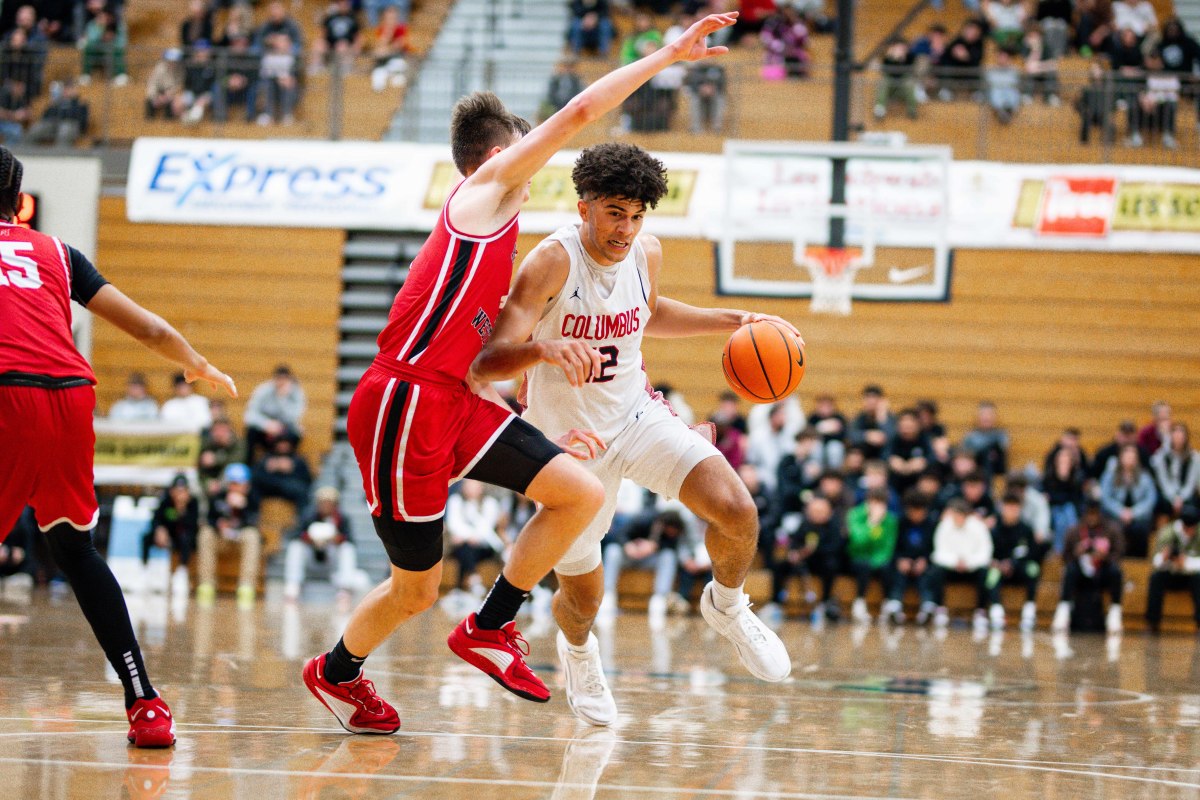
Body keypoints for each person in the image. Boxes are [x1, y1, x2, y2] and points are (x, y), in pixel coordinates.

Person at [302, 12, 741, 735]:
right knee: (415, 589)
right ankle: (338, 673)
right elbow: (581, 111)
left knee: (575, 491)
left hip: (456, 396)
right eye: (529, 149)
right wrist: (666, 55)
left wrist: (546, 390)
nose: (543, 159)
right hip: (403, 403)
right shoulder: (483, 194)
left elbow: (481, 360)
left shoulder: (500, 232)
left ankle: (488, 625)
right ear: (502, 152)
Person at [470, 137, 795, 728]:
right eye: (615, 212)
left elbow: (648, 312)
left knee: (736, 508)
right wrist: (544, 348)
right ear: (584, 205)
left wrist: (735, 319)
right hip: (568, 448)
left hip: (637, 417)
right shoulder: (550, 263)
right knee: (584, 600)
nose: (626, 228)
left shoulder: (646, 253)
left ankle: (727, 607)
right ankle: (578, 653)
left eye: (637, 215)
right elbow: (485, 362)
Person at [0, 147, 235, 748]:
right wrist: (198, 364)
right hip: (72, 395)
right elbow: (147, 328)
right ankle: (145, 703)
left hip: (7, 394)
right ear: (16, 201)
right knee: (75, 550)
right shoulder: (56, 253)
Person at [1052, 499, 1125, 634]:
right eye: (1089, 514)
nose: (1091, 517)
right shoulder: (1074, 530)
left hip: (1102, 570)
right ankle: (1064, 609)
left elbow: (1119, 553)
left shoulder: (1111, 530)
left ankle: (1115, 611)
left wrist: (1104, 556)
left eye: (1095, 514)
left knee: (1116, 572)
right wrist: (1077, 552)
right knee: (1070, 570)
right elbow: (1065, 556)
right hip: (1081, 571)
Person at [196, 461, 262, 605]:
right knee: (205, 533)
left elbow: (254, 522)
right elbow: (209, 519)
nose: (235, 487)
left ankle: (246, 586)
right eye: (232, 483)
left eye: (239, 484)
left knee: (252, 536)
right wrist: (220, 522)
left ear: (246, 485)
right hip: (221, 538)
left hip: (240, 539)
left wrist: (242, 509)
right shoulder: (218, 496)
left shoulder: (253, 498)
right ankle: (207, 584)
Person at [925, 498, 993, 629]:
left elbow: (986, 553)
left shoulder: (979, 527)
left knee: (987, 573)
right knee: (935, 571)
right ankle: (940, 609)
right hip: (951, 568)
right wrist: (955, 561)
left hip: (972, 569)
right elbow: (938, 552)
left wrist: (968, 562)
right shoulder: (945, 525)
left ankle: (980, 611)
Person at [284, 486, 360, 602]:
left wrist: (336, 539)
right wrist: (309, 538)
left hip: (331, 558)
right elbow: (294, 535)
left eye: (329, 503)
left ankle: (344, 588)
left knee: (347, 549)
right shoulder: (308, 516)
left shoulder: (342, 519)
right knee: (296, 547)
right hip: (311, 555)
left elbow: (350, 540)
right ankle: (293, 585)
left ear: (335, 505)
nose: (326, 506)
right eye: (323, 503)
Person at [988, 492, 1043, 632]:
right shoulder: (994, 529)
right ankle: (996, 612)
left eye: (1015, 507)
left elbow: (1030, 553)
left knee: (1033, 569)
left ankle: (1029, 610)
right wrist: (997, 563)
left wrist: (1013, 563)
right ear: (1002, 508)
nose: (1011, 511)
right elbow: (989, 551)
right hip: (999, 568)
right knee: (991, 575)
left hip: (1020, 567)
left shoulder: (1026, 529)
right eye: (1008, 507)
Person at [846, 487, 898, 623]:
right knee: (863, 565)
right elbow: (858, 542)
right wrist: (872, 523)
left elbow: (888, 547)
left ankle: (888, 604)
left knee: (887, 567)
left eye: (881, 504)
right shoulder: (855, 515)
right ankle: (859, 602)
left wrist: (876, 562)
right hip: (857, 556)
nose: (877, 507)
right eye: (874, 503)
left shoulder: (890, 520)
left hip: (878, 559)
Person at [141, 474, 199, 594]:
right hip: (166, 534)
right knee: (146, 538)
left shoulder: (193, 503)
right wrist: (159, 529)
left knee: (186, 540)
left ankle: (182, 573)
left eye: (183, 491)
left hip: (183, 536)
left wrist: (181, 509)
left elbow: (193, 526)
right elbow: (156, 519)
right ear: (171, 491)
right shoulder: (165, 500)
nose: (180, 494)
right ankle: (144, 569)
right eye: (177, 490)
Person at [1146, 505, 1200, 633]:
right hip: (1170, 573)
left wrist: (1186, 562)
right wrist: (1164, 558)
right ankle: (1152, 622)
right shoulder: (1167, 533)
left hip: (1190, 575)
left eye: (1192, 527)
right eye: (1187, 527)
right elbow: (1155, 562)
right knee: (1155, 578)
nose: (1189, 530)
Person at [1099, 442, 1157, 556]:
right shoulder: (1110, 475)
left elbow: (1150, 499)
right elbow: (1105, 497)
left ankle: (1138, 562)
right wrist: (1120, 511)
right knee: (1114, 528)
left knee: (1140, 529)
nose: (1130, 459)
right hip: (1115, 514)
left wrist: (1134, 513)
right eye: (1127, 456)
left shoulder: (1145, 476)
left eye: (1132, 456)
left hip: (1138, 516)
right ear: (1121, 458)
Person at [244, 364, 305, 456]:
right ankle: (249, 465)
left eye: (284, 380)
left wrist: (282, 398)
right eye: (279, 379)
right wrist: (266, 424)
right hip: (264, 429)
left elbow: (294, 417)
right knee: (251, 432)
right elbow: (249, 415)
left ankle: (288, 463)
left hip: (284, 428)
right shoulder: (263, 390)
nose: (281, 383)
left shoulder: (297, 393)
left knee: (296, 434)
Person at [1152, 423, 1200, 516]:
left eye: (1181, 433)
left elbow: (1191, 483)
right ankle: (1164, 529)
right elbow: (1163, 481)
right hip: (1168, 493)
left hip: (1186, 494)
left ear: (1186, 437)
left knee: (1192, 505)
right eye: (1175, 432)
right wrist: (1173, 498)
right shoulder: (1162, 456)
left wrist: (1181, 498)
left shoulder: (1194, 457)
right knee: (1161, 503)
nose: (1178, 436)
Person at [28, 80, 89, 146]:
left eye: (70, 88)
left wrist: (72, 103)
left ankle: (60, 154)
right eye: (66, 88)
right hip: (54, 124)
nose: (67, 90)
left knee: (64, 129)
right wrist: (53, 105)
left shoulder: (80, 104)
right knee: (36, 128)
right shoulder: (56, 103)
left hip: (71, 126)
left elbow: (82, 122)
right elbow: (45, 116)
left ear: (75, 90)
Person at [875, 37, 918, 120]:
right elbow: (886, 71)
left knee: (909, 82)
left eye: (902, 48)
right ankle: (880, 109)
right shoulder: (887, 58)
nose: (900, 50)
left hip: (902, 89)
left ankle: (912, 109)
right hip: (890, 88)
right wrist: (893, 59)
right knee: (884, 82)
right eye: (898, 47)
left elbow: (910, 71)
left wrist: (902, 60)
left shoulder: (910, 57)